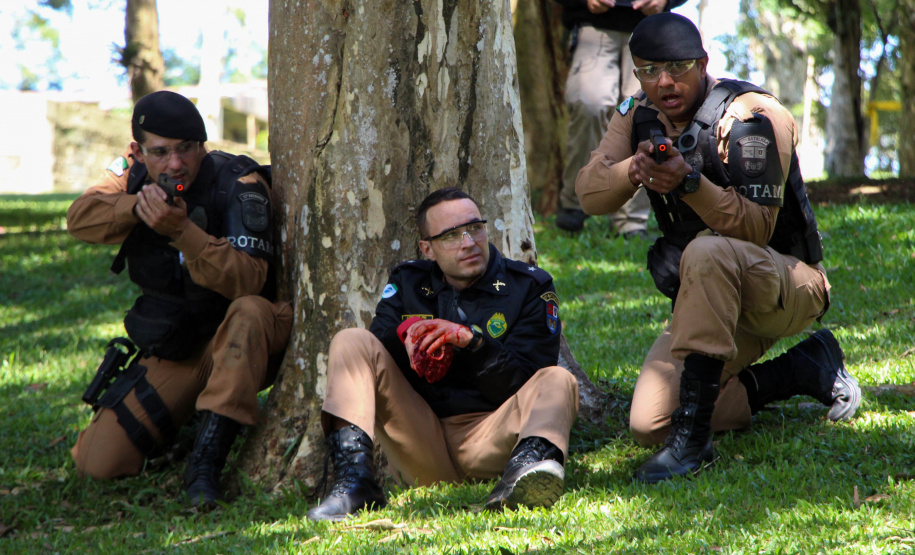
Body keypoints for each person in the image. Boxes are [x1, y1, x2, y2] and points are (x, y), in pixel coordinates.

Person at [575, 13, 861, 483]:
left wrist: (689, 182)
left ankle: (692, 446)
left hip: (786, 285)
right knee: (649, 423)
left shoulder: (751, 116)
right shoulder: (636, 114)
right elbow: (589, 195)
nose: (664, 82)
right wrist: (635, 169)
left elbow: (756, 228)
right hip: (710, 301)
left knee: (707, 250)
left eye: (677, 67)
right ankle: (802, 369)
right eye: (649, 71)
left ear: (703, 64)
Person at [67, 90, 293, 508]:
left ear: (201, 144)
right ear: (138, 151)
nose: (175, 163)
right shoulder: (131, 174)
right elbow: (79, 218)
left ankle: (205, 466)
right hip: (181, 345)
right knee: (96, 462)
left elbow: (248, 280)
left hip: (248, 339)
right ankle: (187, 421)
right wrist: (138, 208)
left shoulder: (238, 182)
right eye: (160, 152)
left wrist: (182, 232)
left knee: (248, 311)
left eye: (185, 148)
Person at [305, 188, 579, 521]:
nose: (468, 242)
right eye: (451, 235)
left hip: (491, 437)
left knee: (558, 379)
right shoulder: (409, 281)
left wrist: (473, 343)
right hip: (421, 438)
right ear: (427, 248)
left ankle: (524, 475)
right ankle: (355, 483)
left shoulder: (528, 287)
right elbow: (376, 348)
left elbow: (525, 380)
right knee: (351, 341)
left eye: (475, 228)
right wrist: (409, 333)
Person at [554, 0, 686, 235]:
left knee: (646, 114)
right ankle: (574, 203)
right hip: (592, 24)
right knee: (589, 105)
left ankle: (631, 221)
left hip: (649, 26)